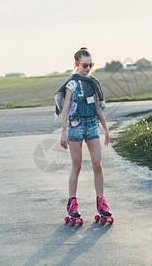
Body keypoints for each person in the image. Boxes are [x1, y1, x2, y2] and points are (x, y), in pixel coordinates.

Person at [55, 47, 112, 221]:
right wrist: (63, 131)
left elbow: (97, 108)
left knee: (97, 165)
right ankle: (72, 203)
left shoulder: (93, 83)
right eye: (84, 65)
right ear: (76, 64)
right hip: (75, 126)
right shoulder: (71, 84)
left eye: (90, 64)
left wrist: (106, 128)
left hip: (91, 125)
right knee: (77, 166)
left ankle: (101, 202)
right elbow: (65, 109)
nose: (87, 68)